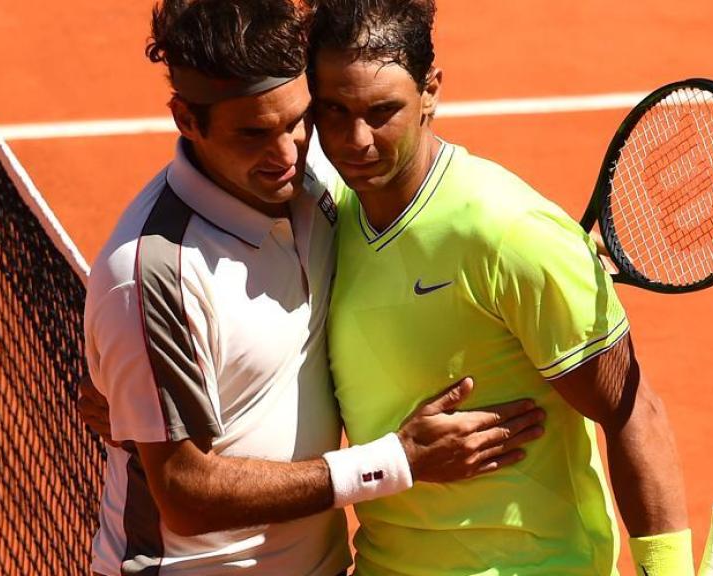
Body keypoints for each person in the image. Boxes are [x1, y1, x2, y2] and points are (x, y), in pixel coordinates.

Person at [81, 1, 545, 574]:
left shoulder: (319, 182)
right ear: (186, 118)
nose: (285, 156)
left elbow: (426, 221)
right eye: (253, 133)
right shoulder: (151, 277)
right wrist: (393, 462)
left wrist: (547, 256)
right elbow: (182, 492)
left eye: (297, 120)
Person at [307, 1, 695, 575]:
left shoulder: (510, 233)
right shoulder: (328, 216)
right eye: (333, 110)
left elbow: (634, 412)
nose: (355, 139)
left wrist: (669, 574)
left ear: (431, 90)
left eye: (382, 110)